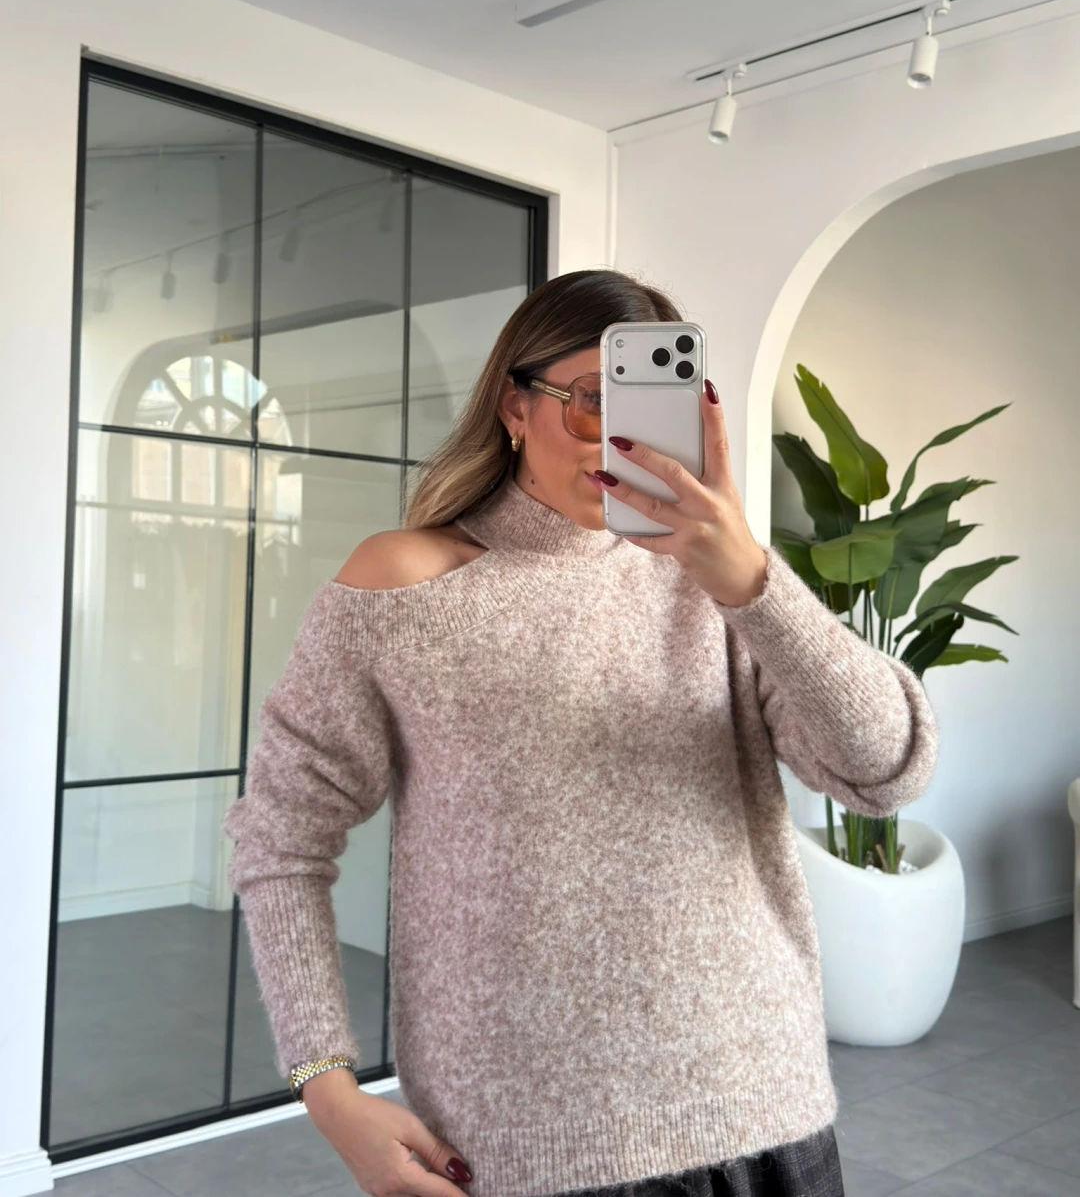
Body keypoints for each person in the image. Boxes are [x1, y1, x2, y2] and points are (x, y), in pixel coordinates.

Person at [222, 269, 939, 1197]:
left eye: (656, 406)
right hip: (524, 1143)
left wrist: (752, 584)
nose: (623, 438)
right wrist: (326, 1087)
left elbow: (885, 772)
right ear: (514, 407)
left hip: (763, 1111)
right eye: (597, 400)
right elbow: (281, 838)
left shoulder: (725, 587)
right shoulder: (402, 588)